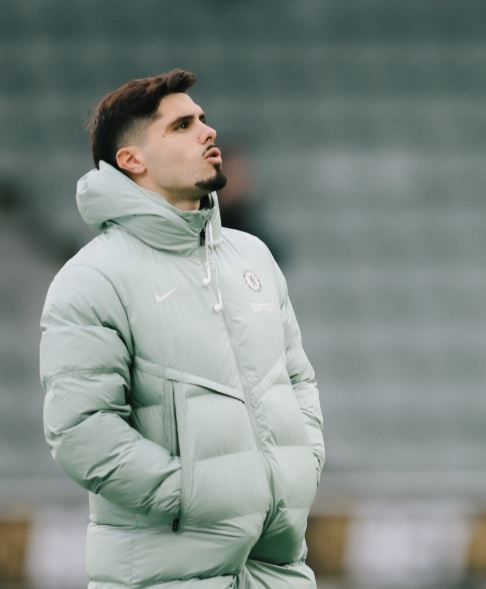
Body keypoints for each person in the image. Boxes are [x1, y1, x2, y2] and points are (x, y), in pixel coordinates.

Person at [39, 70, 324, 588]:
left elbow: (299, 381)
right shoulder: (91, 278)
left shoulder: (251, 256)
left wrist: (302, 467)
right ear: (132, 160)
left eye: (204, 120)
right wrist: (193, 495)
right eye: (183, 125)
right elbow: (81, 432)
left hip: (278, 573)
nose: (207, 132)